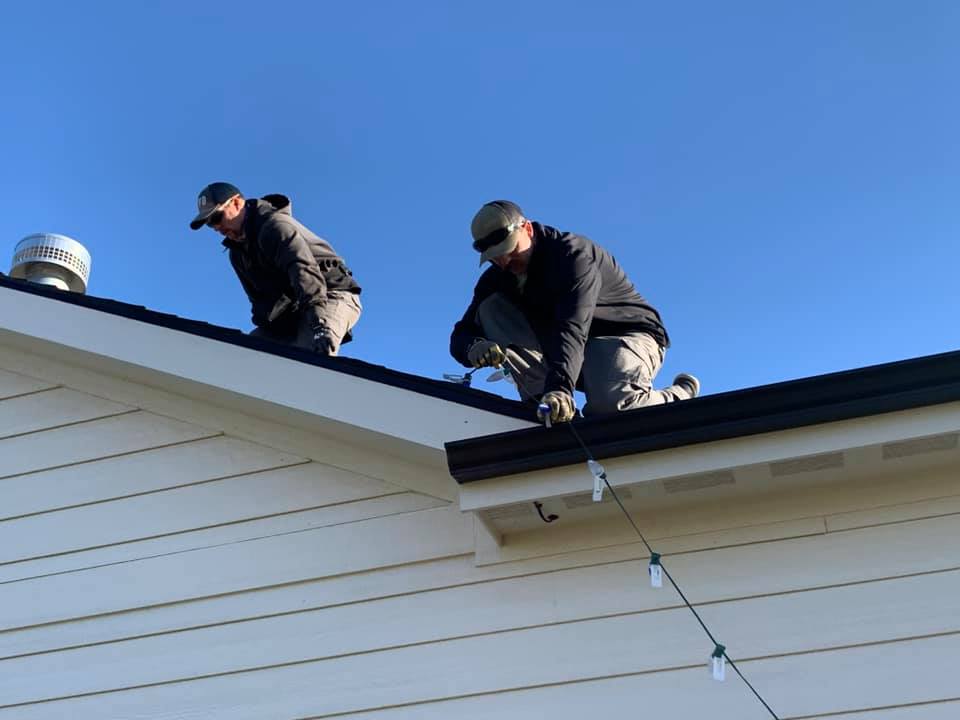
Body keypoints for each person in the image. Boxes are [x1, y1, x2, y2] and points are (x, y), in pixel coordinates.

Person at [450, 200, 699, 424]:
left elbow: (572, 327)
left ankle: (679, 395)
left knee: (613, 410)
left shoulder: (573, 256)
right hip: (567, 356)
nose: (504, 262)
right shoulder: (496, 280)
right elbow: (461, 333)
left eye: (510, 250)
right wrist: (473, 346)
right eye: (495, 257)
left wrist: (560, 387)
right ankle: (543, 403)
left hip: (624, 336)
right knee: (491, 307)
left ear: (526, 229)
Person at [189, 182, 361, 355]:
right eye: (210, 224)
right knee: (246, 355)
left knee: (310, 355)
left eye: (217, 218)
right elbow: (259, 301)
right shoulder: (237, 255)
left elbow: (303, 269)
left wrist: (319, 324)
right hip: (295, 311)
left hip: (329, 295)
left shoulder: (274, 226)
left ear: (237, 202)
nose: (216, 227)